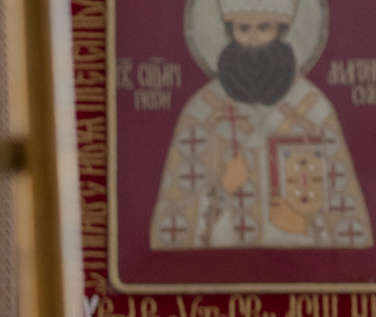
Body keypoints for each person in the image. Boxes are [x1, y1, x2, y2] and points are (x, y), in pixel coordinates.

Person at [150, 0, 369, 252]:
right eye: (243, 29)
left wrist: (302, 222)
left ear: (282, 31)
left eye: (264, 28)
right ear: (229, 32)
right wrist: (224, 189)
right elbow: (178, 216)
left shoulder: (313, 110)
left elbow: (342, 212)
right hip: (225, 266)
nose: (253, 39)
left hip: (299, 262)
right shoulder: (203, 112)